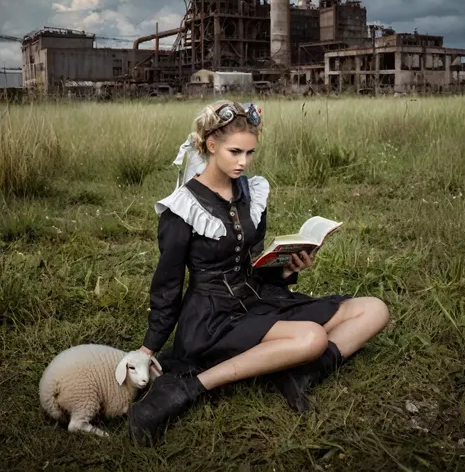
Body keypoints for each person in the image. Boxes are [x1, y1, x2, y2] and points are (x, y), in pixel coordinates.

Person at [128, 100, 389, 447]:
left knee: (374, 309)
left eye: (250, 153)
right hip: (213, 318)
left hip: (257, 299)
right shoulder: (182, 208)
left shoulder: (251, 192)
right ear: (211, 145)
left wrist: (287, 269)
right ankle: (190, 386)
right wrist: (149, 349)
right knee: (312, 337)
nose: (243, 162)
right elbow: (167, 284)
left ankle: (298, 372)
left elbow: (253, 261)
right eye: (235, 152)